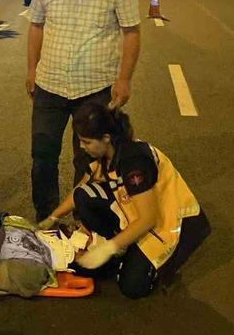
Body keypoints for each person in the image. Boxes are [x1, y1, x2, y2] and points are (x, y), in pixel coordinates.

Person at [26, 0, 141, 222]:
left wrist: (124, 80)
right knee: (43, 156)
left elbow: (131, 33)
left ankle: (84, 223)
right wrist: (31, 70)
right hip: (50, 84)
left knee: (88, 161)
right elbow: (35, 26)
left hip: (95, 89)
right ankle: (47, 218)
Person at [39, 103, 210, 299]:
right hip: (138, 214)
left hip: (169, 224)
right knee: (83, 197)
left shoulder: (133, 162)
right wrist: (53, 216)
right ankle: (123, 248)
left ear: (105, 138)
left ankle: (144, 260)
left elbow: (148, 219)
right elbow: (81, 189)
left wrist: (108, 248)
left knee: (132, 287)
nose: (81, 147)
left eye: (86, 142)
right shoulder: (108, 152)